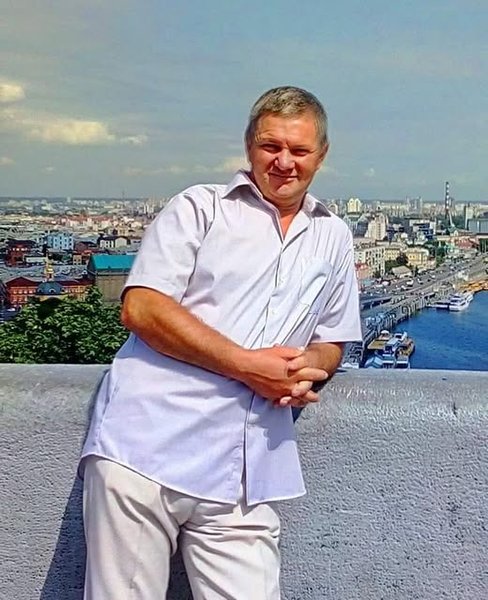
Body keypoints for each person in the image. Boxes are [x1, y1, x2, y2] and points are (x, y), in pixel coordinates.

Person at [80, 85, 362, 599]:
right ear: (249, 145)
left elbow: (333, 340)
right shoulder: (199, 208)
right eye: (270, 146)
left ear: (321, 155)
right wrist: (246, 365)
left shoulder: (334, 235)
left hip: (246, 471)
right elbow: (142, 308)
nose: (284, 162)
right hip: (147, 448)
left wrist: (306, 367)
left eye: (299, 150)